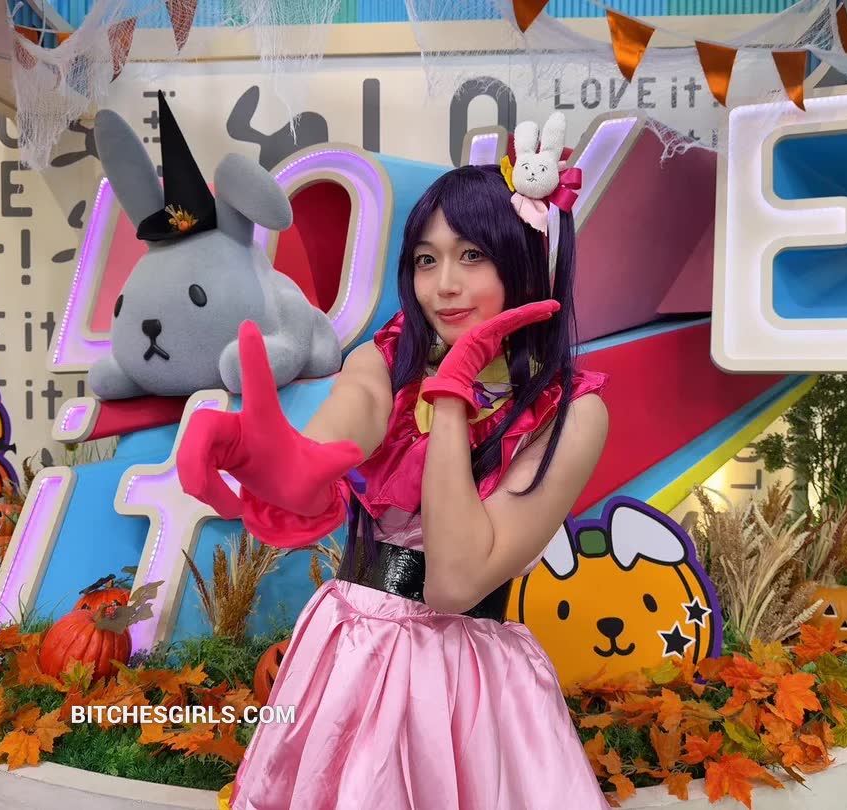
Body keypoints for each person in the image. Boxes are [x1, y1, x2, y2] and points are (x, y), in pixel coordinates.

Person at [177, 116, 611, 809]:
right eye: (426, 260)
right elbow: (349, 418)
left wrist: (453, 397)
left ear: (527, 261)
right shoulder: (387, 359)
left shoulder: (572, 414)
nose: (444, 285)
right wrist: (285, 460)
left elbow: (455, 583)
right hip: (351, 656)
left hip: (465, 687)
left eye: (473, 255)